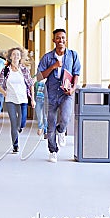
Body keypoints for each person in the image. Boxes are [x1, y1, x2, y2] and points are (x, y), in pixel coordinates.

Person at [37, 29, 81, 163]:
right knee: (50, 124)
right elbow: (39, 76)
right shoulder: (47, 57)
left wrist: (73, 88)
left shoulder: (73, 55)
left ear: (65, 40)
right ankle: (52, 151)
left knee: (66, 118)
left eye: (63, 38)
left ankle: (61, 130)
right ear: (54, 40)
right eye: (58, 38)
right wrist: (53, 66)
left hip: (66, 94)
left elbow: (76, 73)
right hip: (51, 94)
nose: (60, 40)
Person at [0, 47, 35, 153]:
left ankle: (19, 128)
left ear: (20, 57)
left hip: (23, 99)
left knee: (21, 123)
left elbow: (31, 84)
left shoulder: (24, 70)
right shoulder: (5, 71)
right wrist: (5, 93)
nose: (16, 56)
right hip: (10, 101)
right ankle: (15, 145)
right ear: (10, 57)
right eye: (13, 54)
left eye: (18, 55)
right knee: (13, 123)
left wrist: (32, 99)